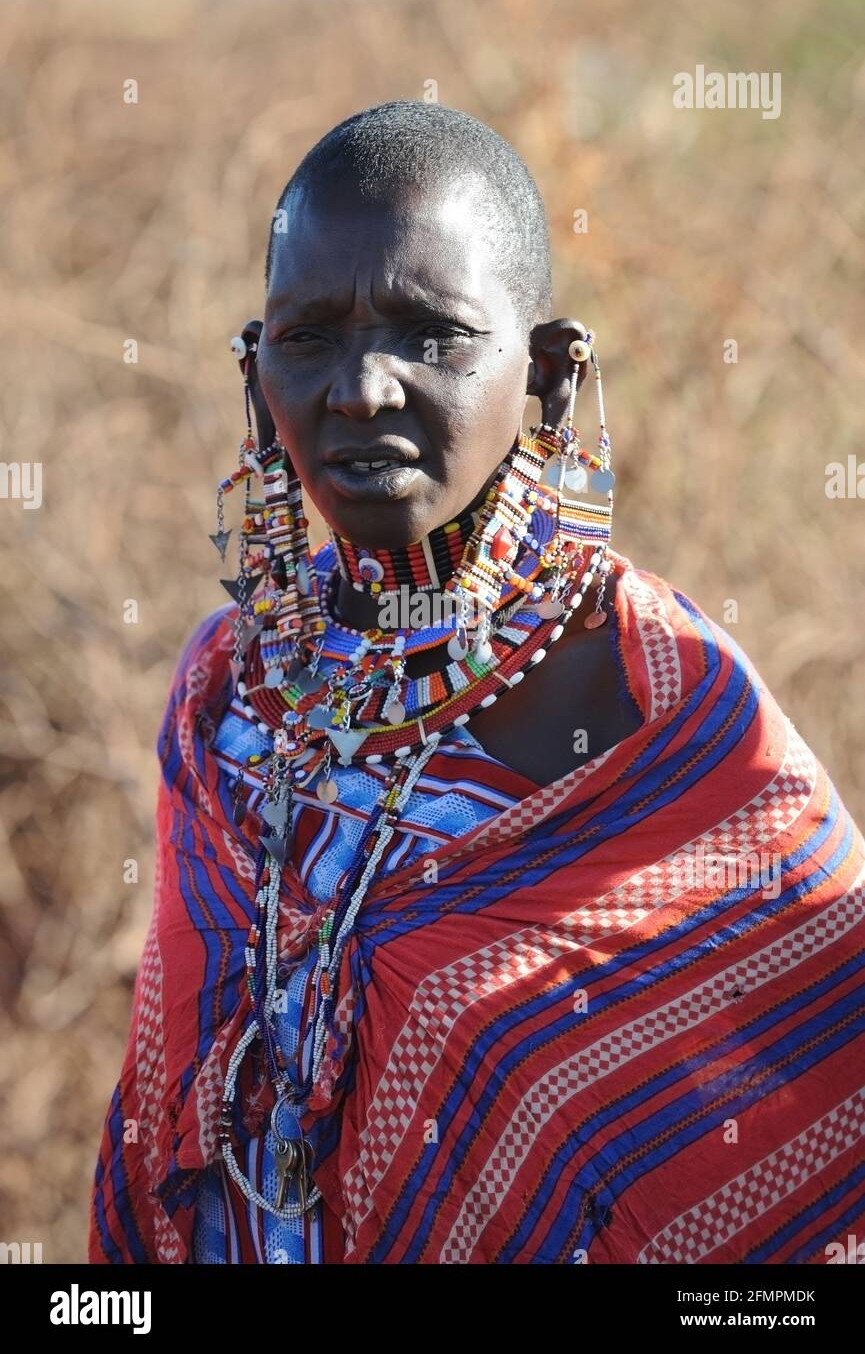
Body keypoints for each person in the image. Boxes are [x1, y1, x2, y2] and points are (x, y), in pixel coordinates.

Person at [90, 101, 865, 1265]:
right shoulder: (229, 689)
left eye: (431, 334)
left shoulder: (647, 704)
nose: (361, 389)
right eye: (308, 337)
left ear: (549, 371)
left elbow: (809, 1074)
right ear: (255, 373)